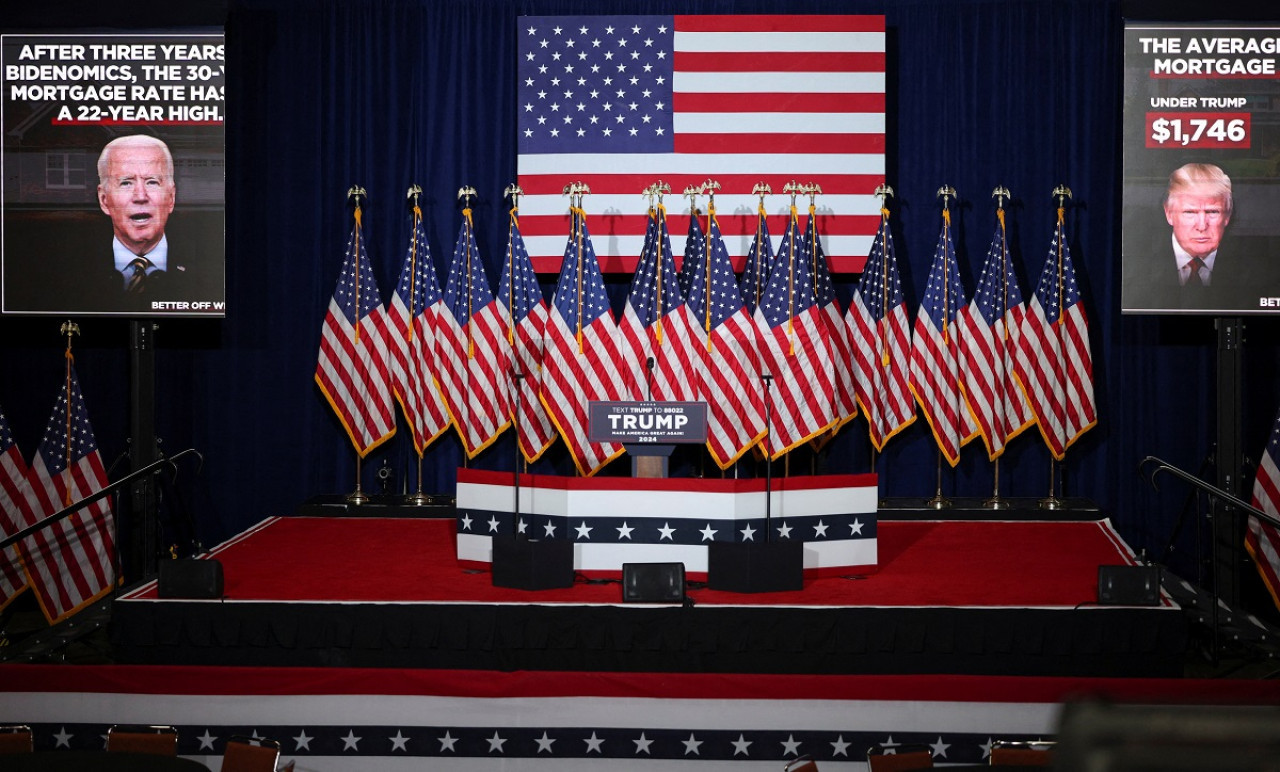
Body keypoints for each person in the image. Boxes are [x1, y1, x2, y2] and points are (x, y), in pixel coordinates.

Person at [1123, 162, 1274, 313]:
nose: (1202, 226)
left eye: (1212, 212)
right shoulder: (1137, 261)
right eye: (1190, 212)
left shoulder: (1258, 269)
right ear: (1169, 213)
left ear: (1227, 215)